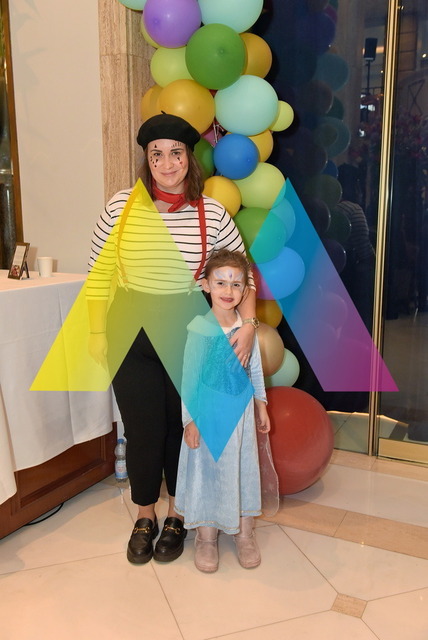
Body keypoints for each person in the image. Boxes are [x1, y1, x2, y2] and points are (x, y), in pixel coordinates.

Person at [87, 113, 258, 565]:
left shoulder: (212, 212)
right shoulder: (120, 207)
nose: (166, 163)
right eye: (156, 154)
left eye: (175, 153)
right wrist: (97, 332)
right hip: (130, 328)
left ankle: (180, 514)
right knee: (142, 427)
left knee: (184, 428)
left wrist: (248, 326)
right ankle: (145, 514)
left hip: (190, 330)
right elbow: (98, 275)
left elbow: (244, 276)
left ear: (189, 158)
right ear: (147, 160)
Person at [175, 249, 271, 573]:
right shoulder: (199, 330)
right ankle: (206, 537)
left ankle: (245, 534)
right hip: (209, 417)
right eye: (221, 283)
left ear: (245, 290)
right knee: (209, 473)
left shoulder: (246, 328)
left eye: (236, 284)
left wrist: (261, 404)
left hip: (240, 418)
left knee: (242, 470)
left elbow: (254, 368)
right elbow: (189, 378)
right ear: (206, 285)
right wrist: (190, 419)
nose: (228, 291)